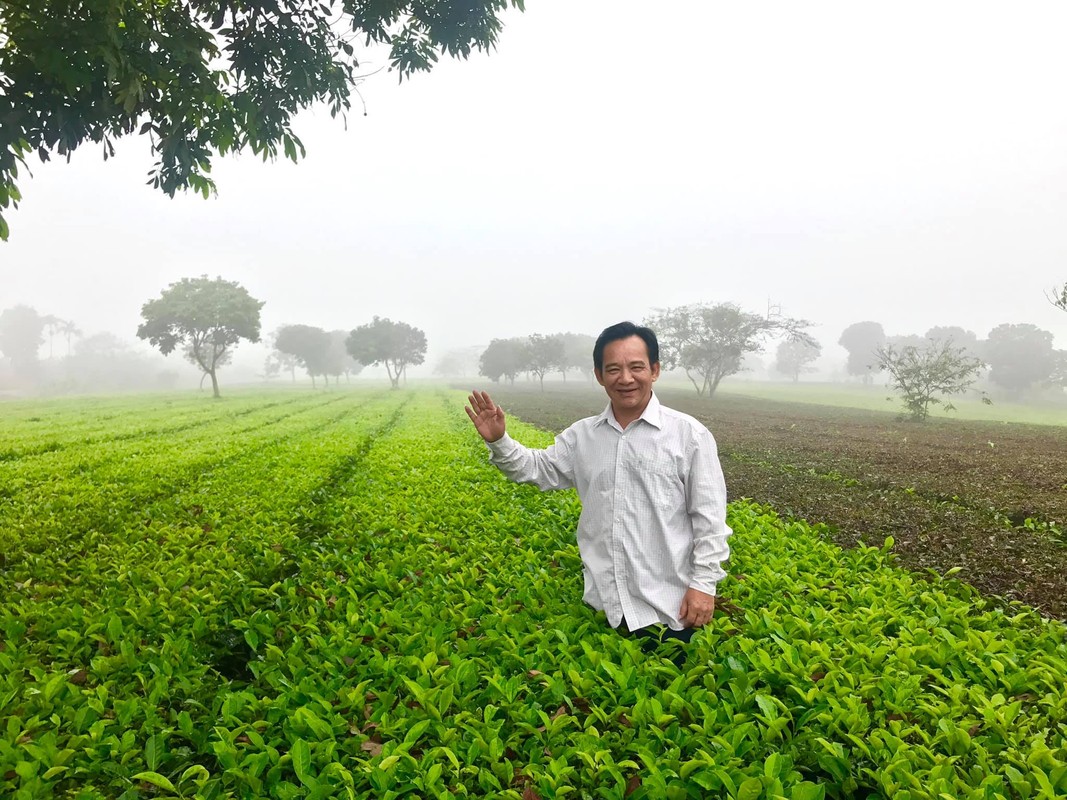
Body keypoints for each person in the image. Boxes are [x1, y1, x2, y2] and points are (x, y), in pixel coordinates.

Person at [465, 321, 732, 653]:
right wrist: (500, 441)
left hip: (671, 614)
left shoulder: (689, 436)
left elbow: (710, 521)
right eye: (613, 369)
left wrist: (704, 586)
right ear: (599, 375)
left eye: (636, 367)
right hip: (603, 611)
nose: (625, 378)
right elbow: (537, 469)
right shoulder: (583, 436)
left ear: (655, 370)